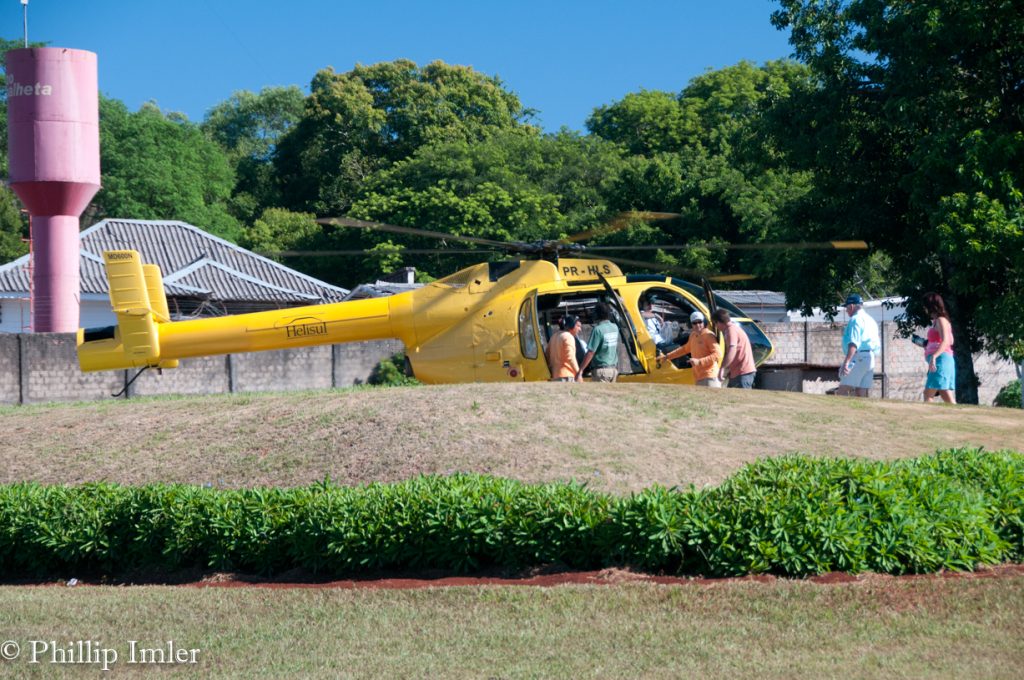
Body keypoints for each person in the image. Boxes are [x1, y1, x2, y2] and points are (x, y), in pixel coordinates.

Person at [657, 311, 721, 387]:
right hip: (698, 377)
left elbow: (717, 354)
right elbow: (684, 349)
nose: (697, 325)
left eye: (700, 322)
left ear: (703, 322)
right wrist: (667, 356)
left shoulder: (709, 335)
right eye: (694, 323)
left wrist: (699, 362)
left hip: (710, 376)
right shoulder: (693, 335)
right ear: (691, 324)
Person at [835, 293, 881, 398]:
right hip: (870, 358)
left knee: (843, 389)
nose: (846, 310)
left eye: (846, 307)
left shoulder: (855, 319)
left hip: (858, 357)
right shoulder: (871, 320)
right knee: (861, 392)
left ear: (851, 306)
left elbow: (854, 343)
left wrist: (846, 362)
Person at [922, 292, 956, 404]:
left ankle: (927, 414)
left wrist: (934, 356)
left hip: (941, 360)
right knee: (945, 395)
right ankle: (958, 413)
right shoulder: (936, 321)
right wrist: (927, 346)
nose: (924, 308)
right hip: (939, 360)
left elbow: (946, 341)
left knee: (928, 394)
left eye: (925, 305)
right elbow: (946, 340)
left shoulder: (941, 320)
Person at [714, 308, 757, 388]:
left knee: (742, 396)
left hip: (743, 373)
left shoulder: (731, 330)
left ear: (718, 322)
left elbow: (732, 350)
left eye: (715, 324)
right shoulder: (732, 328)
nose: (716, 327)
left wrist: (722, 368)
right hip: (738, 372)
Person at [579, 302, 619, 382]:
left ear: (598, 314)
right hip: (613, 370)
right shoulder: (615, 327)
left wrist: (581, 370)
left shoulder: (597, 330)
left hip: (601, 371)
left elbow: (591, 352)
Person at [546, 314, 581, 382]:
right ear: (571, 325)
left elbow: (547, 354)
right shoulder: (568, 336)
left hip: (555, 375)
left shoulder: (554, 336)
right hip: (567, 376)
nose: (580, 329)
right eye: (578, 326)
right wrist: (578, 373)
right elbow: (571, 358)